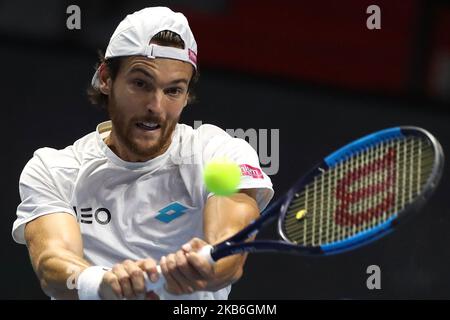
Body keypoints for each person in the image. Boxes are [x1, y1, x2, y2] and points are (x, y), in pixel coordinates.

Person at [12, 6, 273, 300]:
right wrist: (102, 283)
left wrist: (208, 263)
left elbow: (231, 250)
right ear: (106, 79)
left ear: (187, 95)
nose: (156, 106)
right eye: (140, 84)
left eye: (173, 90)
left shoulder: (218, 152)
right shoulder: (53, 168)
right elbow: (52, 263)